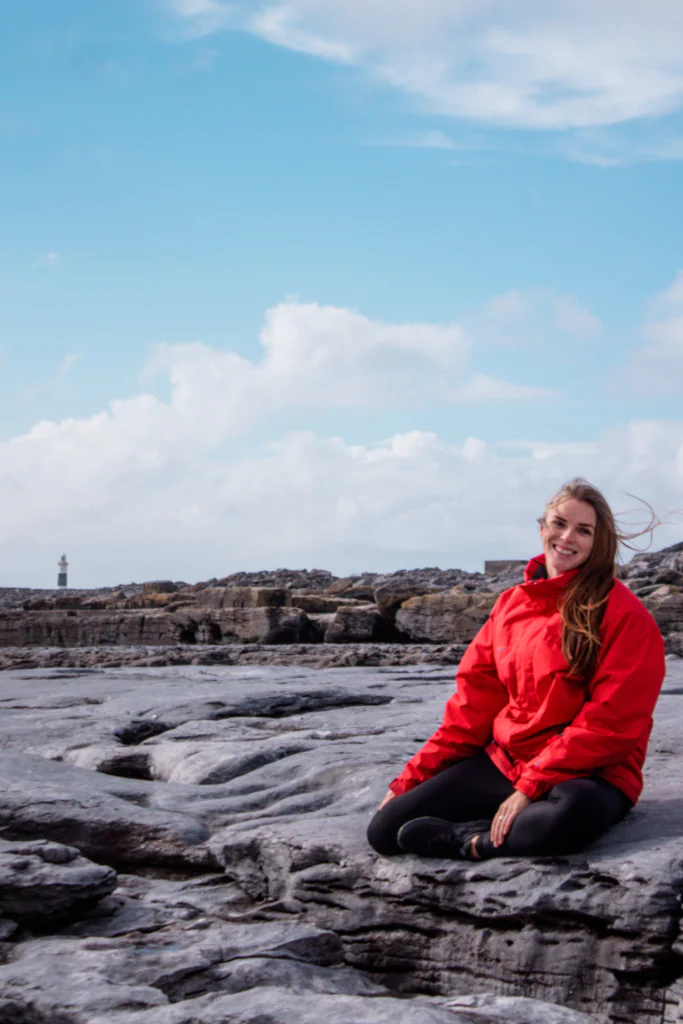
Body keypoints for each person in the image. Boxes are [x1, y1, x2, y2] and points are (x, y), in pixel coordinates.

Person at [367, 479, 666, 861]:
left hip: (591, 774)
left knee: (566, 815)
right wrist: (411, 778)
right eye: (559, 523)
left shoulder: (625, 616)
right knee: (384, 831)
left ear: (598, 542)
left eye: (583, 530)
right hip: (509, 762)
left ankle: (472, 842)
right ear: (542, 528)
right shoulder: (511, 605)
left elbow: (612, 723)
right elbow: (471, 707)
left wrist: (532, 787)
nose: (567, 537)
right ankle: (501, 826)